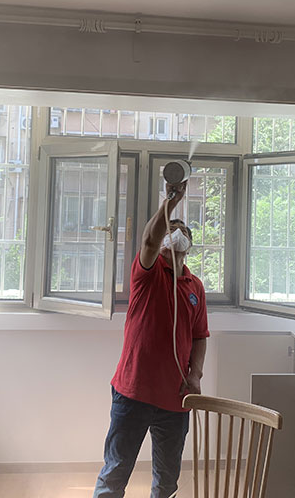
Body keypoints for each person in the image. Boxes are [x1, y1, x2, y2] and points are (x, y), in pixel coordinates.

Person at [93, 180, 210, 498]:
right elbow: (148, 240)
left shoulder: (195, 287)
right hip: (133, 392)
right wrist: (170, 201)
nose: (175, 240)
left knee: (167, 480)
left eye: (181, 236)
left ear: (188, 246)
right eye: (169, 235)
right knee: (115, 473)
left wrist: (195, 374)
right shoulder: (147, 273)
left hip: (176, 398)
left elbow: (199, 335)